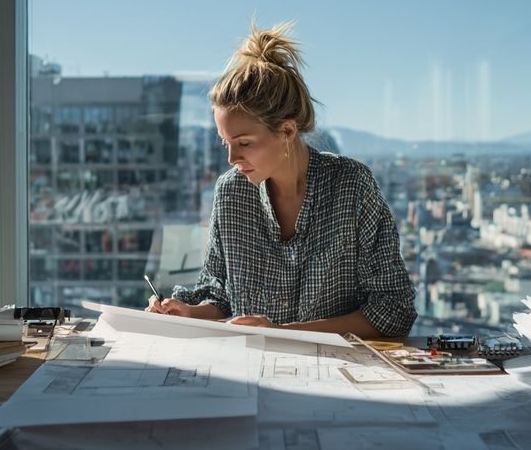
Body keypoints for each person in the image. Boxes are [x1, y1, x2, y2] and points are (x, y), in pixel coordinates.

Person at [147, 22, 416, 339]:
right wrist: (189, 313)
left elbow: (394, 309)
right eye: (225, 142)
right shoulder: (231, 193)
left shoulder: (351, 186)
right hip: (248, 365)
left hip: (333, 366)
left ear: (287, 131)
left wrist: (284, 332)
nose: (231, 158)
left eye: (244, 143)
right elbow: (219, 295)